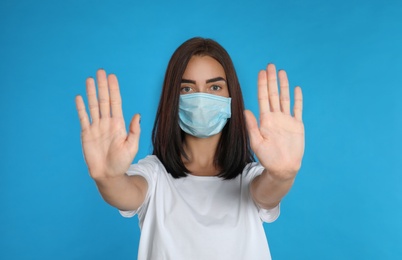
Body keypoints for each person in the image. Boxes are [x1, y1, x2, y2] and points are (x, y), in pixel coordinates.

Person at [75, 37, 304, 260]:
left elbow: (268, 191)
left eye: (215, 87)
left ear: (230, 96)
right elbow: (125, 193)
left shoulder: (249, 178)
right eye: (187, 89)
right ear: (172, 98)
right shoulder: (154, 175)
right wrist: (107, 177)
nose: (201, 98)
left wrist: (283, 174)